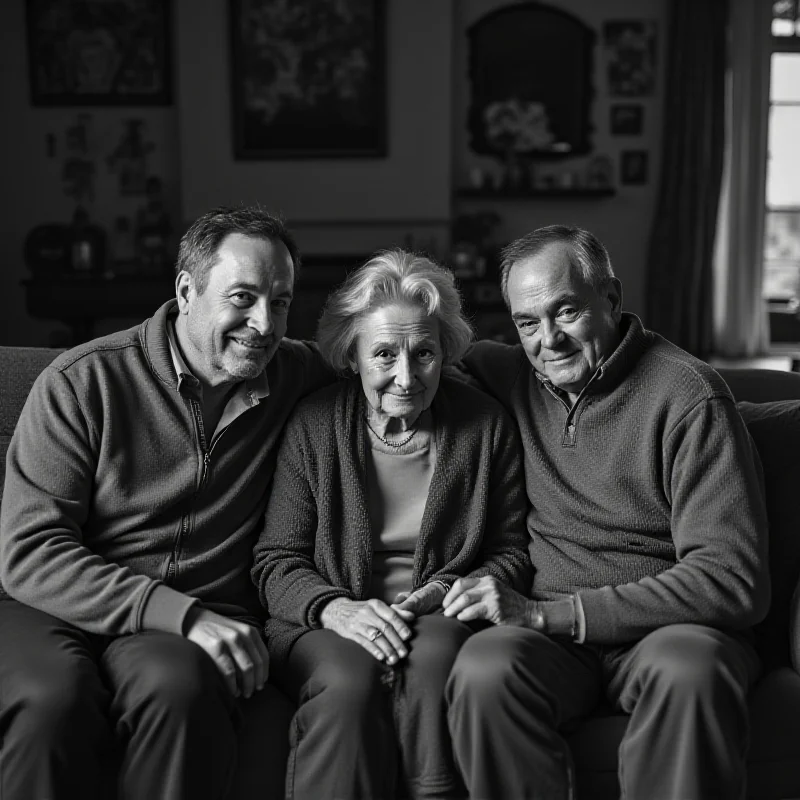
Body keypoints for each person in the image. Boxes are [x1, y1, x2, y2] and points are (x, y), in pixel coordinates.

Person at [0, 206, 332, 799]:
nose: (263, 323)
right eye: (242, 297)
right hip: (53, 605)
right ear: (187, 290)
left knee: (179, 688)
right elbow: (30, 552)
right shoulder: (83, 381)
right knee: (50, 698)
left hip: (183, 625)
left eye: (280, 302)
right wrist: (184, 615)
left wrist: (522, 365)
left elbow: (396, 350)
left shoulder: (294, 374)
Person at [441, 225, 770, 800]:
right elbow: (404, 350)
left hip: (668, 631)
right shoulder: (509, 375)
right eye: (526, 323)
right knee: (483, 671)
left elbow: (733, 580)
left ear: (612, 299)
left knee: (690, 670)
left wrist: (554, 614)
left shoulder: (690, 397)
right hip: (551, 641)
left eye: (566, 311)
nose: (549, 340)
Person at [251, 249, 532, 800]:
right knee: (350, 680)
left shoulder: (485, 428)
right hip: (327, 618)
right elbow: (275, 561)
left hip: (437, 615)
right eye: (384, 354)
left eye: (423, 353)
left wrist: (440, 592)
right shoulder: (314, 426)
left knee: (432, 659)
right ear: (351, 356)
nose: (406, 377)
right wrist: (336, 609)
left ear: (445, 352)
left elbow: (512, 553)